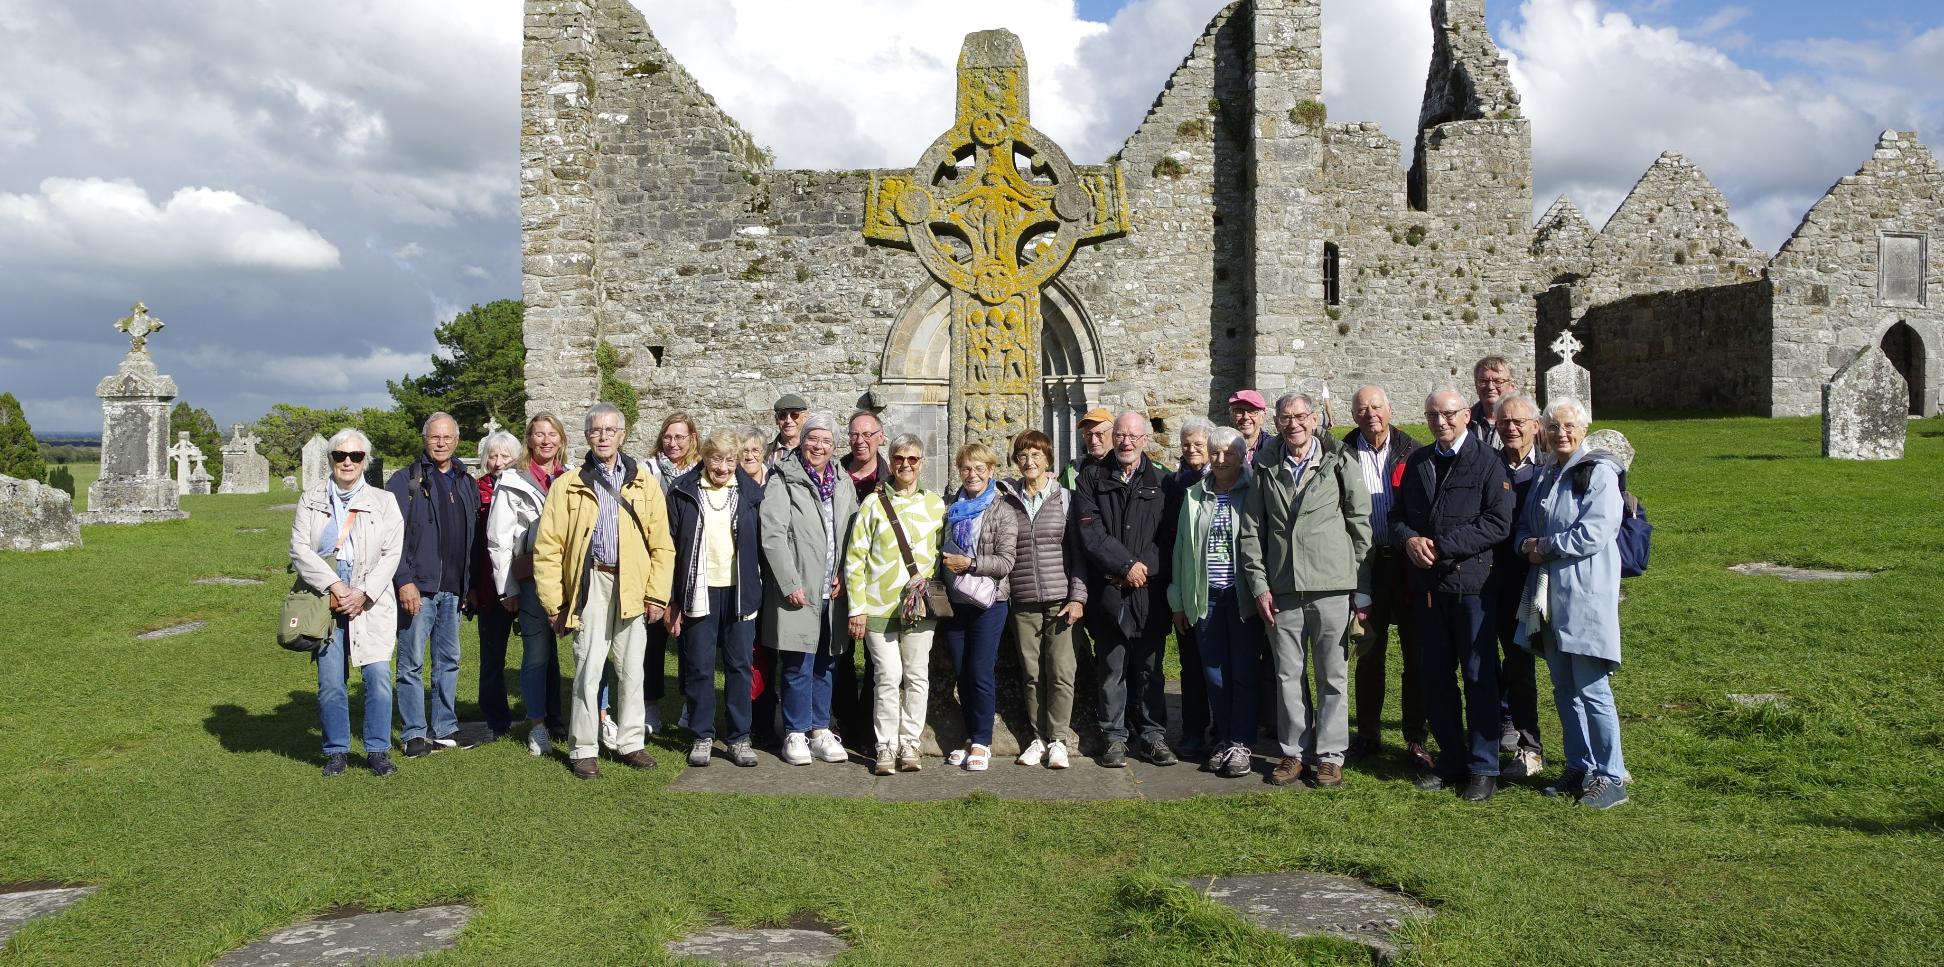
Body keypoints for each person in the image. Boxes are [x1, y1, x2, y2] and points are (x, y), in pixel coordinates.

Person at [532, 403, 677, 779]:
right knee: (588, 667)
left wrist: (656, 594)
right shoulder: (568, 485)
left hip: (633, 582)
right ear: (586, 437)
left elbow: (662, 544)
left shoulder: (644, 482)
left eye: (610, 430)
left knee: (631, 669)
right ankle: (583, 747)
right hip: (591, 582)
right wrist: (554, 601)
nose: (603, 436)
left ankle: (630, 743)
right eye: (596, 430)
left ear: (622, 435)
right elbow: (548, 547)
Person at [1237, 392, 1372, 789]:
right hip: (1283, 589)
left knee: (1333, 675)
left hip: (1331, 587)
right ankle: (1294, 753)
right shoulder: (1264, 466)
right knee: (1287, 676)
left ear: (1314, 419)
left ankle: (1329, 756)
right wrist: (1260, 586)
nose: (1292, 424)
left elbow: (1360, 523)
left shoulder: (1339, 461)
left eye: (1299, 416)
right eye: (1284, 418)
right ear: (1276, 423)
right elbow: (1251, 532)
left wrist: (1359, 587)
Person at [1393, 388, 1514, 802]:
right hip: (1429, 590)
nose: (1440, 422)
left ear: (1465, 415)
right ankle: (1450, 759)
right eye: (1432, 415)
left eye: (1447, 414)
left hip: (1473, 588)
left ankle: (1484, 767)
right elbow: (1397, 517)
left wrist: (1441, 546)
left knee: (1480, 677)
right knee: (1436, 678)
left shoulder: (1487, 461)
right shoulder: (1419, 462)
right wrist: (1409, 540)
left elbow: (1498, 523)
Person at [1516, 398, 1630, 810]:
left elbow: (1594, 533)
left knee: (1592, 688)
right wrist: (1524, 543)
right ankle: (1579, 767)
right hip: (1551, 597)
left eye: (1569, 426)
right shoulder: (1548, 473)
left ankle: (1612, 775)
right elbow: (1528, 523)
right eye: (1553, 426)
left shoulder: (1598, 472)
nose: (1561, 433)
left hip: (1585, 595)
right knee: (1564, 688)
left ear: (1583, 429)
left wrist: (1542, 547)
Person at [291, 429, 404, 776]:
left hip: (370, 599)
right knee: (330, 680)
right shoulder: (310, 499)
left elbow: (391, 553)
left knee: (379, 675)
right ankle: (336, 751)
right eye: (340, 455)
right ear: (330, 459)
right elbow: (300, 550)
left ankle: (377, 750)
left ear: (365, 461)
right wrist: (336, 586)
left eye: (355, 456)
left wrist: (363, 592)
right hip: (325, 597)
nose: (347, 462)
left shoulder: (384, 502)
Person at [1075, 410, 1176, 767]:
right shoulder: (1091, 479)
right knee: (1111, 669)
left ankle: (1152, 735)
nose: (1125, 442)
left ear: (1145, 440)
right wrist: (1123, 567)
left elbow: (1168, 538)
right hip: (1110, 589)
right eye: (1120, 435)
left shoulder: (1164, 483)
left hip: (1149, 592)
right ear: (1112, 436)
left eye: (1133, 436)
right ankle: (1114, 737)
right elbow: (1090, 532)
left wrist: (1140, 569)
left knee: (1150, 668)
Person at [843, 434, 946, 774]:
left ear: (922, 463)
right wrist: (857, 607)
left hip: (918, 608)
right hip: (879, 605)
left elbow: (941, 553)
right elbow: (855, 558)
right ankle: (885, 744)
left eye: (913, 459)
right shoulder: (873, 504)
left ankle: (910, 742)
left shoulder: (935, 505)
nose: (906, 465)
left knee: (917, 676)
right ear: (891, 460)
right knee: (888, 676)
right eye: (900, 458)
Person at [760, 413, 858, 766]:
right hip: (798, 587)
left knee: (827, 661)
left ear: (834, 447)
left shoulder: (842, 482)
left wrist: (846, 574)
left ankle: (819, 729)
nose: (819, 446)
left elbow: (852, 534)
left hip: (831, 589)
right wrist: (789, 582)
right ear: (802, 442)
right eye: (813, 439)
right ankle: (795, 732)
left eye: (827, 442)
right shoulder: (784, 478)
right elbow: (772, 534)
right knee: (798, 661)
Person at [1341, 386, 1429, 768]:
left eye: (1376, 407)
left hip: (1407, 564)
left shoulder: (1413, 450)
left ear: (1390, 410)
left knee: (1416, 652)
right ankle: (1368, 734)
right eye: (1362, 409)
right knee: (1369, 652)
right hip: (1366, 565)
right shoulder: (1340, 452)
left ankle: (1415, 736)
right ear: (1354, 414)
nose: (1370, 414)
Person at [665, 429, 763, 768]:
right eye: (716, 458)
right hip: (698, 591)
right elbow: (670, 548)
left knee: (739, 666)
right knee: (700, 667)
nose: (722, 467)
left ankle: (739, 738)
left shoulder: (752, 493)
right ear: (704, 456)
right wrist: (672, 601)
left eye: (730, 460)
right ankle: (702, 735)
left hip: (739, 592)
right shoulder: (682, 492)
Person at [1168, 426, 1260, 778]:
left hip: (1242, 597)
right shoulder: (1194, 496)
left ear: (1242, 456)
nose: (1221, 460)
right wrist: (1178, 602)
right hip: (1205, 597)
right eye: (1216, 453)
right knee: (1215, 672)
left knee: (1243, 672)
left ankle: (1241, 742)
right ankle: (1224, 737)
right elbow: (1180, 552)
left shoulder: (1253, 491)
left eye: (1229, 453)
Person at [386, 412, 478, 757]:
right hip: (418, 588)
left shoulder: (464, 480)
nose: (441, 443)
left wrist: (469, 585)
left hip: (453, 589)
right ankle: (413, 732)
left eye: (448, 438)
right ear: (425, 439)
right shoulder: (405, 481)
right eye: (435, 437)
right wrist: (404, 581)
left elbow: (471, 537)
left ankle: (444, 726)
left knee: (448, 659)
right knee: (411, 662)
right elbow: (390, 538)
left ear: (457, 441)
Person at [999, 430, 1087, 770]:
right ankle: (1038, 738)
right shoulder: (1007, 500)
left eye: (1036, 455)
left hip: (1059, 598)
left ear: (1048, 459)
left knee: (1062, 671)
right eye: (1023, 455)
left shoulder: (1065, 498)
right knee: (1032, 673)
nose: (1029, 461)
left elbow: (1079, 553)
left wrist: (1078, 596)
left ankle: (1059, 740)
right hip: (1022, 599)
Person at [486, 412, 570, 756]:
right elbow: (499, 539)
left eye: (552, 434)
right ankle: (538, 726)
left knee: (587, 651)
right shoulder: (512, 481)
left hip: (572, 578)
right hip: (533, 578)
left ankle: (581, 721)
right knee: (536, 654)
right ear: (529, 440)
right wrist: (508, 588)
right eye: (539, 434)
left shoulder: (574, 478)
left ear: (561, 440)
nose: (546, 440)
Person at [938, 442, 1021, 771]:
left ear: (991, 471)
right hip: (956, 601)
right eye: (966, 468)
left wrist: (969, 563)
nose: (972, 474)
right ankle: (970, 737)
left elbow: (1006, 561)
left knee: (980, 672)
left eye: (979, 468)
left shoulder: (1002, 510)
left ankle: (983, 742)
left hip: (989, 601)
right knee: (961, 672)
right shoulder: (950, 507)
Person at [1490, 394, 1546, 779]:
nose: (1512, 428)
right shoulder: (1486, 465)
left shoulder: (1550, 468)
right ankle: (1500, 734)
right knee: (1495, 662)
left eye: (1520, 421)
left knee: (1529, 664)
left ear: (1535, 426)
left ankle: (1532, 746)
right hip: (1492, 579)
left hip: (1536, 578)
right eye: (1505, 422)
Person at [1163, 417, 1215, 761]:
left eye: (1198, 444)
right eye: (1186, 445)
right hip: (1185, 586)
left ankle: (1225, 733)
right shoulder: (1174, 484)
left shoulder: (1225, 479)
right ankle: (1195, 731)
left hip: (1219, 587)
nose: (1192, 450)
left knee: (1222, 666)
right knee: (1192, 666)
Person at [470, 430, 523, 742]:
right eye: (493, 456)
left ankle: (543, 715)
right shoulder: (477, 492)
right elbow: (473, 545)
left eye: (505, 456)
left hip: (525, 578)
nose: (498, 462)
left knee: (538, 655)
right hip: (489, 583)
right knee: (492, 656)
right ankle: (496, 719)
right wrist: (473, 587)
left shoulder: (526, 486)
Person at [1468, 356, 1517, 451]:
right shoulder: (1463, 422)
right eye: (1483, 381)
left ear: (1512, 386)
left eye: (1498, 381)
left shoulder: (1529, 424)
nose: (1490, 387)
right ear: (1476, 387)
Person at [1060, 406, 1115, 488]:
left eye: (1099, 434)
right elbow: (1061, 495)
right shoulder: (1074, 468)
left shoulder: (1125, 467)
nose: (1093, 441)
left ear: (1113, 434)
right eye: (1088, 434)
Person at [842, 410, 887, 499]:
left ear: (881, 437)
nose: (859, 441)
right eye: (854, 435)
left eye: (867, 434)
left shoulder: (892, 481)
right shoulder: (832, 476)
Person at [654, 412, 701, 483]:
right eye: (667, 437)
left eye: (679, 437)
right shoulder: (649, 470)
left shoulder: (704, 470)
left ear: (692, 438)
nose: (672, 444)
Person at [766, 393, 808, 469]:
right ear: (776, 419)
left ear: (804, 418)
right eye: (782, 415)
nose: (788, 420)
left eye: (794, 415)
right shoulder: (764, 453)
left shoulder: (812, 451)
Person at [1227, 390, 1270, 463]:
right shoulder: (1222, 448)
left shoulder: (1273, 448)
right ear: (1231, 416)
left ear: (1262, 417)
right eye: (1239, 411)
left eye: (1252, 411)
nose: (1246, 417)